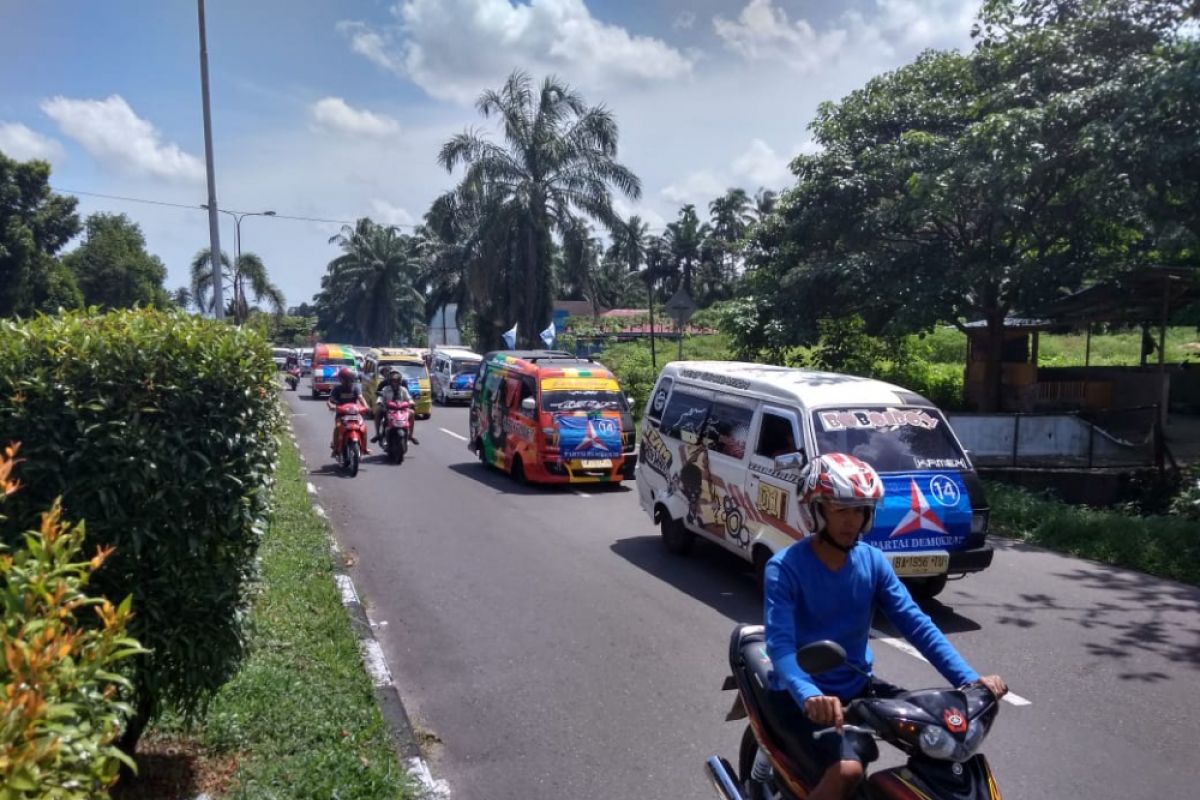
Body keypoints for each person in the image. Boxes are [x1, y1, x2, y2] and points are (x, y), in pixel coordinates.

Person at [763, 453, 1007, 800]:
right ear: (814, 510)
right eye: (841, 509)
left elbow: (916, 624)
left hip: (858, 687)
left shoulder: (873, 561)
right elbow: (781, 648)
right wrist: (810, 695)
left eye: (860, 510)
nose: (852, 520)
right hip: (798, 695)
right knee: (847, 771)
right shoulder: (784, 568)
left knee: (941, 736)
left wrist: (968, 681)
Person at [327, 367, 370, 457]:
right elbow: (330, 400)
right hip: (342, 414)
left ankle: (364, 448)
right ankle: (335, 448)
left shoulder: (355, 388)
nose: (347, 382)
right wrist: (331, 405)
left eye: (349, 379)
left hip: (355, 413)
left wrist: (366, 406)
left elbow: (361, 398)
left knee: (363, 428)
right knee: (338, 427)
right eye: (345, 379)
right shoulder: (337, 389)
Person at [373, 368, 419, 445]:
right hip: (388, 410)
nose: (395, 383)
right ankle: (378, 434)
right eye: (393, 381)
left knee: (412, 412)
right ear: (390, 381)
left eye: (397, 381)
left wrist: (412, 403)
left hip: (402, 411)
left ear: (400, 381)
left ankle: (410, 436)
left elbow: (409, 398)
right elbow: (381, 397)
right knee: (378, 412)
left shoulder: (403, 389)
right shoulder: (385, 389)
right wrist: (380, 402)